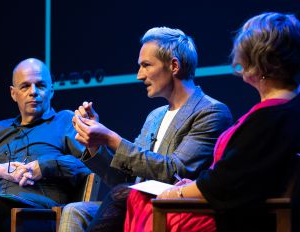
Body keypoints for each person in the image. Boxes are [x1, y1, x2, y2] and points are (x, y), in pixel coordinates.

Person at [124, 12, 300, 232]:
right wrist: (194, 186)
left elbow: (225, 183)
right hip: (243, 208)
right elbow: (238, 174)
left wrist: (178, 192)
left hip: (239, 219)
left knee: (141, 199)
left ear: (258, 60)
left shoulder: (272, 117)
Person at [59, 27, 233, 231]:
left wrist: (112, 140)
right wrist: (97, 146)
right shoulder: (155, 116)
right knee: (76, 210)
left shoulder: (211, 112)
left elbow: (174, 171)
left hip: (174, 210)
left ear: (174, 65)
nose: (139, 75)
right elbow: (125, 181)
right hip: (136, 202)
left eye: (146, 65)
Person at [0, 58, 91, 232]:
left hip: (37, 212)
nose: (33, 92)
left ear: (51, 89)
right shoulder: (0, 128)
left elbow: (87, 165)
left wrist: (44, 167)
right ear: (13, 93)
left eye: (40, 85)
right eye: (25, 86)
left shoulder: (66, 121)